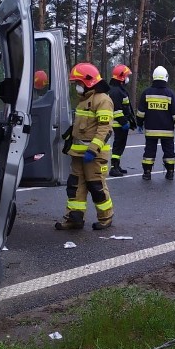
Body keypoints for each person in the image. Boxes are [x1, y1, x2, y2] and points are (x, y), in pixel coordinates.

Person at [54, 63, 114, 231]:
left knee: (96, 187)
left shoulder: (102, 100)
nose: (77, 87)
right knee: (75, 187)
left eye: (78, 83)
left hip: (94, 156)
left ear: (88, 81)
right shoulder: (85, 100)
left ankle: (105, 218)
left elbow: (105, 128)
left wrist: (93, 150)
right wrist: (69, 140)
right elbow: (80, 127)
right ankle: (74, 218)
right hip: (78, 155)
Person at [136, 65, 175, 180]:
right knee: (169, 152)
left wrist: (139, 124)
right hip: (167, 131)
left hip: (151, 130)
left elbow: (141, 112)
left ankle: (147, 173)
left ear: (154, 77)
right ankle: (170, 172)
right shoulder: (170, 94)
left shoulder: (146, 93)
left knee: (149, 151)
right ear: (166, 77)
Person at [107, 64, 137, 177]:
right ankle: (114, 167)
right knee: (118, 144)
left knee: (120, 144)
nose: (128, 78)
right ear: (121, 77)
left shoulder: (118, 89)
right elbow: (117, 110)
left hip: (120, 122)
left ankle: (117, 165)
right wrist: (124, 122)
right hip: (118, 123)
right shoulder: (116, 91)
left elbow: (126, 108)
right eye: (126, 76)